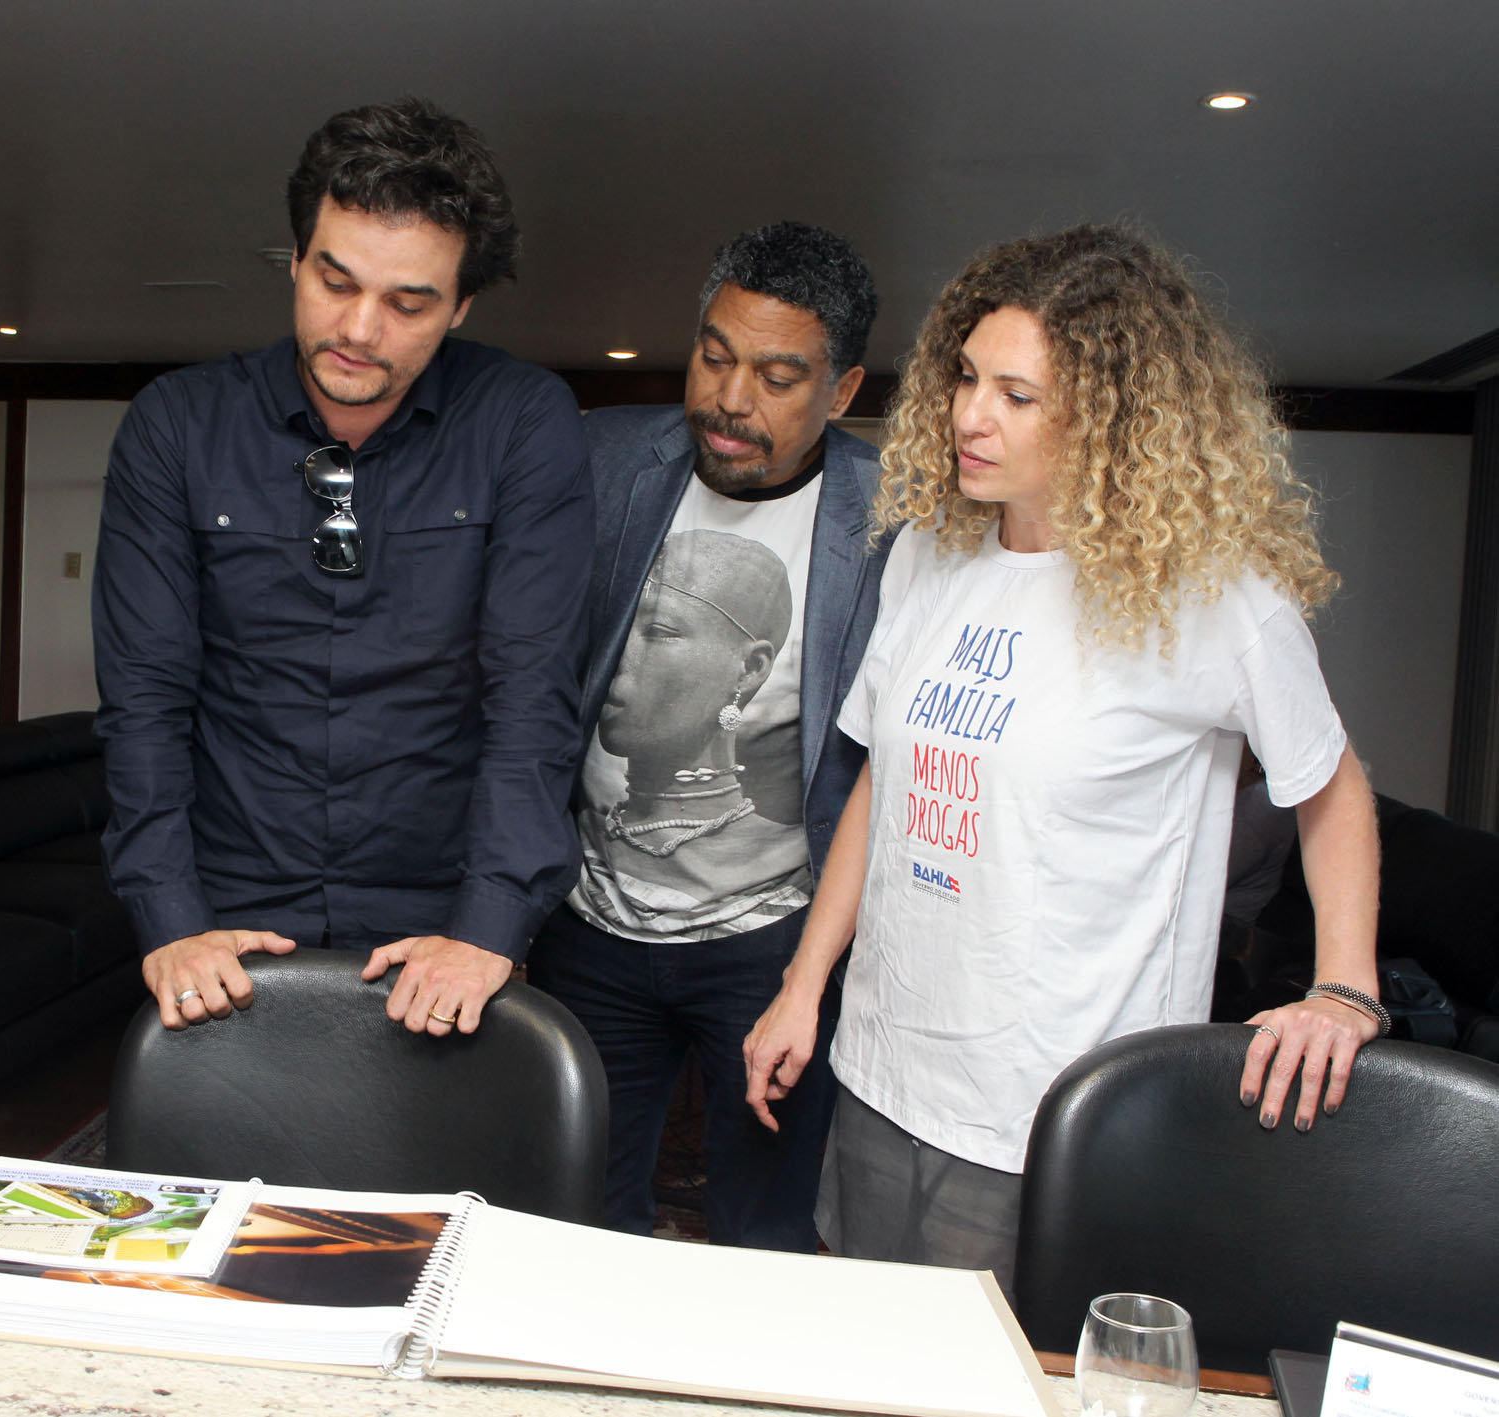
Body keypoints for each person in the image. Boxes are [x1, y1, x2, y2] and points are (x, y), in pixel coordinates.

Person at [743, 225, 1382, 1292]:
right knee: (860, 1346)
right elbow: (885, 786)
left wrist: (1344, 989)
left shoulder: (1212, 597)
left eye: (1017, 395)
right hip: (882, 1072)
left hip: (1054, 1110)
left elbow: (1332, 785)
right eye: (964, 377)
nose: (968, 414)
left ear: (1112, 415)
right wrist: (802, 986)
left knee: (1006, 1366)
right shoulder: (929, 553)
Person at [93, 98, 592, 1039]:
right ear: (295, 259)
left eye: (409, 303)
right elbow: (145, 696)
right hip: (228, 908)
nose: (360, 328)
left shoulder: (522, 423)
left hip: (439, 915)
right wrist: (171, 917)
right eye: (335, 280)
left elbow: (533, 693)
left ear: (461, 305)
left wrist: (490, 925)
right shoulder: (178, 425)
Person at [530, 222, 885, 1250]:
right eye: (714, 357)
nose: (730, 399)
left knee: (761, 1235)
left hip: (769, 943)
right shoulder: (604, 459)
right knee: (574, 1225)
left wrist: (811, 972)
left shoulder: (889, 520)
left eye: (777, 377)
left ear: (841, 389)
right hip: (588, 922)